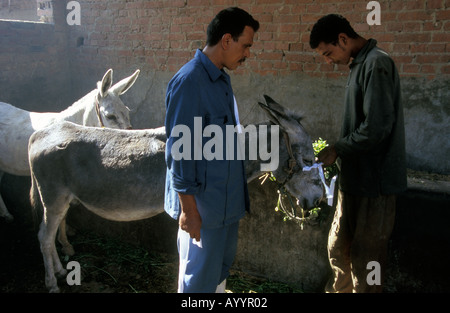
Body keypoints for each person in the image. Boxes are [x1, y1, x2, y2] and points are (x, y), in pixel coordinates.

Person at [164, 7, 259, 293]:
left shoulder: (221, 79)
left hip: (225, 206)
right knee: (197, 282)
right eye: (246, 46)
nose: (248, 54)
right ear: (227, 40)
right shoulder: (189, 81)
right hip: (202, 212)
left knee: (217, 274)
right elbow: (180, 154)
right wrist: (189, 212)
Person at [309, 14, 407, 293]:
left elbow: (376, 128)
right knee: (339, 249)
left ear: (343, 38)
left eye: (329, 53)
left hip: (375, 186)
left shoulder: (377, 63)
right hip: (352, 180)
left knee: (367, 259)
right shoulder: (358, 65)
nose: (329, 61)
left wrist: (338, 148)